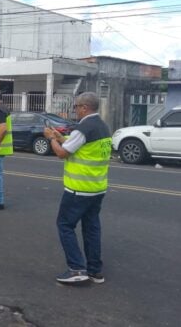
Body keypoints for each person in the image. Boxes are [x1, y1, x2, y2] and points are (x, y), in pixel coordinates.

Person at [44, 92, 112, 284]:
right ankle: (94, 271)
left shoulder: (84, 128)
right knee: (92, 228)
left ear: (84, 107)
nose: (75, 110)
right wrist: (60, 136)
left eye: (76, 107)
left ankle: (76, 269)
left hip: (79, 189)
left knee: (65, 225)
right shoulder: (103, 127)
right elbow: (79, 147)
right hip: (97, 188)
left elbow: (62, 154)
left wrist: (51, 139)